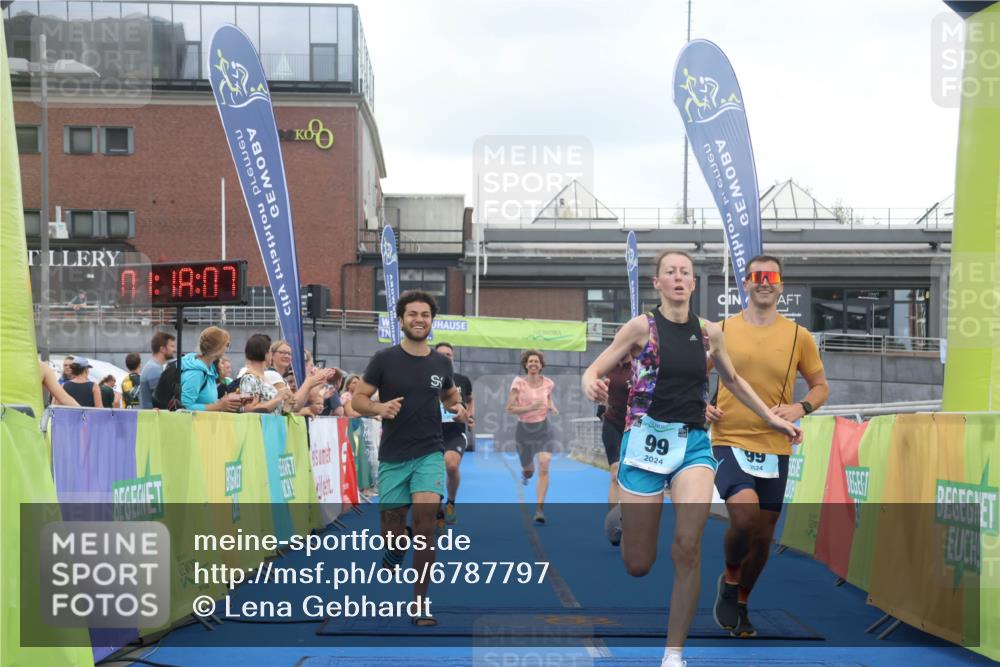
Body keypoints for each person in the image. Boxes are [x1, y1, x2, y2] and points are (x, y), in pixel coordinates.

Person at [581, 249, 801, 667]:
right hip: (645, 442)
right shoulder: (639, 328)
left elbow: (734, 381)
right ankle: (622, 516)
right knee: (638, 564)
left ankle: (673, 654)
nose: (679, 278)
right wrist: (590, 381)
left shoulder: (710, 333)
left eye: (685, 272)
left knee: (687, 546)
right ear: (657, 283)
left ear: (694, 284)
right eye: (670, 272)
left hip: (693, 445)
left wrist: (773, 418)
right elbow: (595, 368)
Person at [707, 255, 829, 638]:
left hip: (775, 444)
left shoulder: (798, 336)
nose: (764, 282)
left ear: (781, 286)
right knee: (743, 516)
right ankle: (728, 580)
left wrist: (800, 407)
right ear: (745, 283)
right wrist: (701, 404)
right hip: (729, 438)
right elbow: (693, 374)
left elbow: (820, 386)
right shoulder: (722, 329)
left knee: (762, 537)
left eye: (771, 277)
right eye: (757, 276)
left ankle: (742, 601)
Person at [352, 290, 464, 627]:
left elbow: (448, 394)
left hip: (429, 451)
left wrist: (456, 408)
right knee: (393, 535)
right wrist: (379, 408)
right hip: (393, 456)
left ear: (432, 320)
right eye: (412, 314)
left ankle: (420, 603)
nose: (419, 319)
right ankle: (396, 547)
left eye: (425, 314)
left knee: (427, 526)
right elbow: (358, 399)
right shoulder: (384, 359)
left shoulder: (441, 362)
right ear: (400, 320)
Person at [506, 349, 557, 524]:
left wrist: (552, 406)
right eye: (530, 361)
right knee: (530, 471)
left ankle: (539, 510)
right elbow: (510, 408)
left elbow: (548, 397)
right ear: (526, 365)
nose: (533, 363)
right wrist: (529, 408)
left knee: (544, 464)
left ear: (541, 365)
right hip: (524, 430)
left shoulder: (548, 383)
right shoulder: (518, 383)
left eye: (536, 361)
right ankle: (525, 474)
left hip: (544, 428)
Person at [434, 342, 475, 525]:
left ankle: (450, 503)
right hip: (430, 433)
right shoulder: (427, 379)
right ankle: (438, 513)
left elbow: (470, 399)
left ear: (453, 358)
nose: (445, 357)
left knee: (451, 465)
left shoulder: (462, 380)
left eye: (448, 354)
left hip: (455, 432)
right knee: (433, 473)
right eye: (441, 354)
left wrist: (469, 415)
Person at [600, 354, 631, 546]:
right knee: (614, 472)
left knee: (629, 476)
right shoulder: (608, 364)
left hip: (635, 426)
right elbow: (598, 385)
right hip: (612, 422)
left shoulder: (641, 363)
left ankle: (629, 519)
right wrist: (600, 405)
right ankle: (614, 525)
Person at [180, 327, 243, 412]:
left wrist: (223, 403)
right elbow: (184, 407)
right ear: (217, 348)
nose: (227, 349)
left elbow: (206, 401)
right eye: (227, 345)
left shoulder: (209, 369)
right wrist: (218, 406)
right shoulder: (196, 373)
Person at [239, 333, 293, 414]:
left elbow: (274, 410)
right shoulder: (249, 378)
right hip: (260, 426)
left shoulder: (264, 378)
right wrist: (278, 398)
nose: (271, 355)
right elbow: (248, 409)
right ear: (265, 352)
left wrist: (287, 404)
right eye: (270, 351)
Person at [140, 332, 176, 409]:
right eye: (172, 346)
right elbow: (161, 400)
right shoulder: (154, 369)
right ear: (162, 349)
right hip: (153, 418)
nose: (174, 350)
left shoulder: (153, 366)